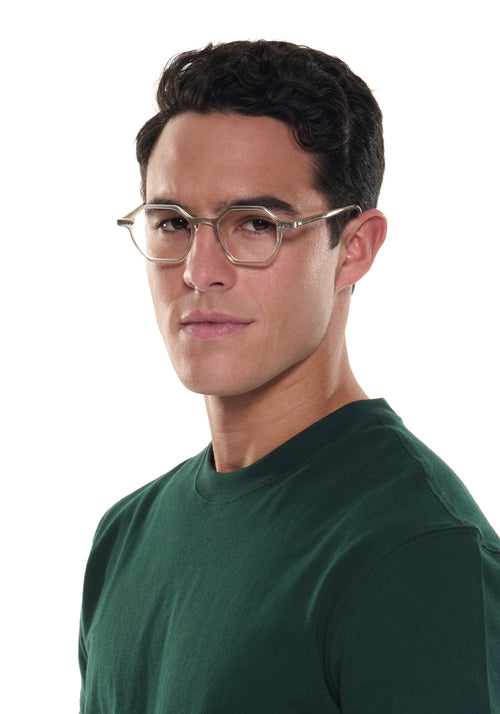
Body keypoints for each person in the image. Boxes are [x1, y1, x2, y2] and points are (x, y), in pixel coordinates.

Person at [79, 40, 500, 713]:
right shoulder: (127, 535)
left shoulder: (416, 550)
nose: (199, 271)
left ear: (353, 249)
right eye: (174, 223)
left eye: (255, 224)